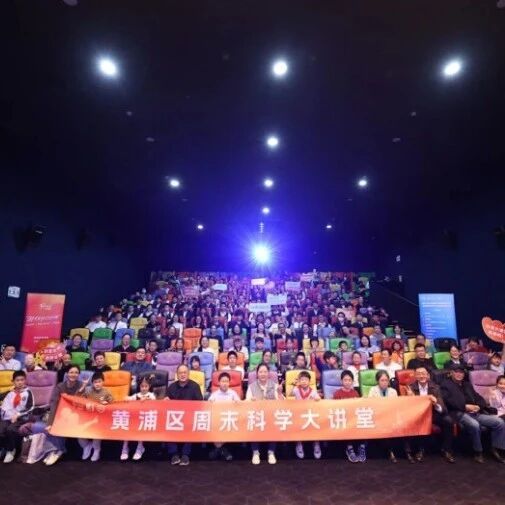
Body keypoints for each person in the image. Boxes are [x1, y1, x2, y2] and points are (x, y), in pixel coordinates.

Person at [441, 364, 505, 463]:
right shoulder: (446, 385)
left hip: (475, 412)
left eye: (461, 372)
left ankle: (497, 449)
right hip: (459, 413)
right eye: (457, 372)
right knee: (474, 425)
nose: (459, 374)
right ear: (451, 373)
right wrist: (465, 407)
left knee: (499, 422)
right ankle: (478, 451)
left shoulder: (467, 384)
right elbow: (448, 401)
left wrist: (479, 406)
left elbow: (478, 397)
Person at [404, 367, 455, 463]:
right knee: (418, 422)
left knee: (448, 421)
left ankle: (446, 450)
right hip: (418, 415)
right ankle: (420, 450)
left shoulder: (435, 387)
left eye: (423, 373)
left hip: (433, 413)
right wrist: (411, 398)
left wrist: (436, 404)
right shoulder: (410, 387)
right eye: (419, 374)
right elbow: (407, 408)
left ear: (428, 375)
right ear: (415, 376)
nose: (421, 376)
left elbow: (443, 408)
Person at [165, 364, 203, 465]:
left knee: (191, 425)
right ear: (177, 374)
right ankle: (174, 454)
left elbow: (200, 404)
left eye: (185, 372)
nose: (182, 375)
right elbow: (166, 403)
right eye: (180, 373)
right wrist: (166, 400)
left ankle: (185, 455)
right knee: (168, 425)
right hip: (175, 418)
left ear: (188, 373)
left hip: (189, 418)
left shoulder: (195, 386)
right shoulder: (172, 387)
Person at [246, 363, 280, 465]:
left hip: (270, 415)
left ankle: (271, 452)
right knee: (252, 423)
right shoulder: (251, 386)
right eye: (260, 372)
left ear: (268, 373)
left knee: (274, 424)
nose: (263, 374)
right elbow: (246, 402)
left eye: (265, 372)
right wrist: (251, 401)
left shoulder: (275, 385)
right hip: (257, 415)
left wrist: (279, 393)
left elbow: (280, 403)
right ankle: (255, 452)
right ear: (257, 374)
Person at [78, 371, 114, 462]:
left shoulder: (107, 392)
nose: (97, 384)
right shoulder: (88, 390)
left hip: (101, 418)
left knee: (97, 431)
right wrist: (85, 402)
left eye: (99, 382)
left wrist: (107, 403)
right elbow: (78, 399)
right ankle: (86, 446)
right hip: (87, 416)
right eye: (95, 382)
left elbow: (113, 403)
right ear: (92, 383)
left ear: (103, 382)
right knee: (77, 430)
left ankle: (96, 449)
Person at [0, 371, 34, 463]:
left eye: (22, 380)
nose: (20, 382)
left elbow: (31, 407)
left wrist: (18, 414)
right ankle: (3, 448)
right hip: (7, 417)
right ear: (13, 382)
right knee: (1, 429)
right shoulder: (10, 392)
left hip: (21, 418)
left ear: (25, 381)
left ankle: (11, 450)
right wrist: (8, 391)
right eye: (17, 380)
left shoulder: (28, 392)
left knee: (10, 429)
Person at [120, 375, 156, 461]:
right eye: (142, 386)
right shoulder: (136, 395)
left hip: (146, 418)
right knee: (126, 428)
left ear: (149, 387)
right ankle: (125, 448)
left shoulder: (151, 395)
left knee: (141, 428)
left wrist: (146, 399)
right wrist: (126, 398)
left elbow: (154, 400)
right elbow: (129, 398)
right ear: (139, 387)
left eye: (146, 386)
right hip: (135, 418)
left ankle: (140, 448)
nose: (144, 388)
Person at [333, 370, 366, 462]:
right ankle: (349, 448)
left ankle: (361, 448)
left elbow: (359, 408)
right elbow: (333, 408)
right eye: (345, 380)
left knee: (363, 423)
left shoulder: (355, 393)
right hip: (343, 419)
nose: (347, 382)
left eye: (349, 380)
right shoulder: (337, 393)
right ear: (341, 381)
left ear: (352, 381)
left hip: (354, 418)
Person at [207, 372, 240, 461]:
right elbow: (208, 407)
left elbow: (240, 407)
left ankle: (218, 450)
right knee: (212, 426)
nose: (225, 383)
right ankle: (223, 451)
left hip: (229, 420)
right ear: (219, 383)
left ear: (229, 383)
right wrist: (210, 403)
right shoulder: (214, 394)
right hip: (217, 421)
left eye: (226, 381)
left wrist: (236, 403)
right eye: (223, 381)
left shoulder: (233, 393)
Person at [368, 370, 399, 463]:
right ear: (377, 381)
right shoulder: (373, 390)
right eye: (382, 380)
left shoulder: (393, 391)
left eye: (386, 380)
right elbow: (370, 405)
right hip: (377, 416)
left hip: (390, 416)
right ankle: (390, 452)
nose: (384, 382)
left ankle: (392, 451)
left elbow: (396, 406)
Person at [292, 370, 321, 460]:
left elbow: (318, 398)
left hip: (310, 414)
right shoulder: (296, 390)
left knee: (316, 425)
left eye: (306, 380)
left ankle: (316, 444)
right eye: (302, 380)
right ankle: (299, 444)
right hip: (298, 414)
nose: (304, 382)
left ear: (309, 381)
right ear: (299, 381)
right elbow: (290, 393)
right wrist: (294, 384)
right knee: (297, 425)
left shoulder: (313, 391)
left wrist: (317, 398)